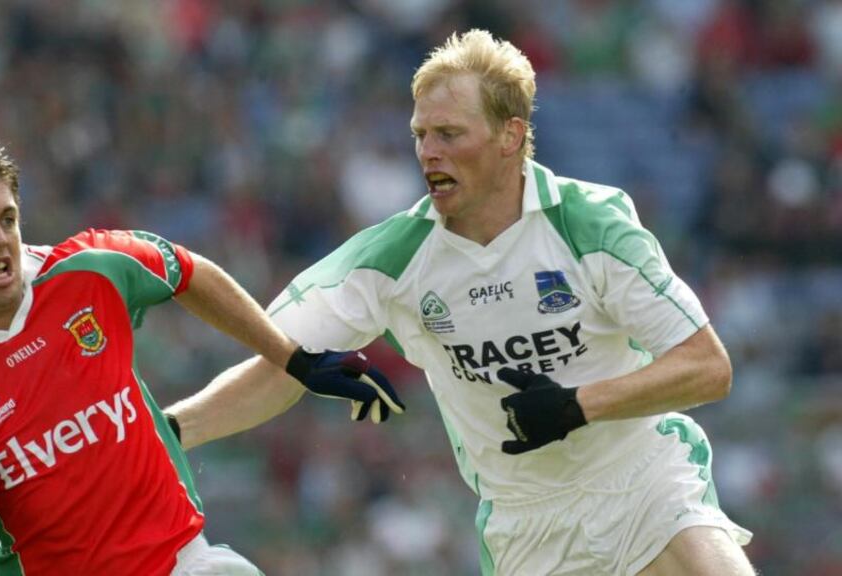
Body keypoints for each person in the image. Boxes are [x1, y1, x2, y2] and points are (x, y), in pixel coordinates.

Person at [166, 29, 755, 575]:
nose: (429, 152)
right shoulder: (394, 256)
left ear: (510, 136)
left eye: (450, 134)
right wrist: (169, 432)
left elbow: (706, 366)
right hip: (524, 526)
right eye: (421, 135)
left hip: (644, 483)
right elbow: (282, 366)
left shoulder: (588, 223)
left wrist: (579, 404)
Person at [0, 137, 404, 576]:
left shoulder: (89, 268)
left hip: (187, 562)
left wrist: (292, 357)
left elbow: (187, 271)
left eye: (6, 218)